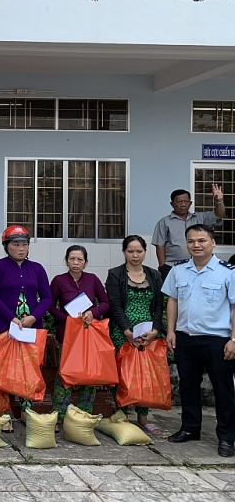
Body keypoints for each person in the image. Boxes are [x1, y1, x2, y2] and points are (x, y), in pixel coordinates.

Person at [164, 224, 235, 458]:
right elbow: (172, 301)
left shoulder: (227, 271)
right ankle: (190, 428)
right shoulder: (179, 270)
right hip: (186, 337)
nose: (197, 245)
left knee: (223, 389)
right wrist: (171, 331)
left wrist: (234, 339)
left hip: (217, 339)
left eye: (202, 240)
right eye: (192, 241)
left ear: (213, 243)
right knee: (188, 386)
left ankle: (226, 437)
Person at [0, 224, 52, 430]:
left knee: (28, 370)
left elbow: (47, 297)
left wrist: (34, 316)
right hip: (4, 327)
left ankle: (26, 411)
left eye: (24, 244)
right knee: (4, 370)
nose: (21, 249)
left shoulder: (37, 269)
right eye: (16, 244)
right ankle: (4, 414)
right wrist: (10, 317)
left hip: (30, 328)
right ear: (6, 246)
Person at [105, 234, 164, 435]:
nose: (135, 255)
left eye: (139, 251)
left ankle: (143, 417)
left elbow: (158, 306)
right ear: (124, 252)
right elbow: (115, 305)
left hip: (148, 333)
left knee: (145, 375)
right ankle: (120, 413)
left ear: (145, 252)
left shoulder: (154, 275)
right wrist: (127, 331)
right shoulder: (115, 274)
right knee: (122, 374)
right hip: (124, 332)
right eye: (131, 251)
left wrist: (155, 330)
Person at [49, 245, 110, 430]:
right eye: (72, 259)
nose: (76, 263)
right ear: (66, 260)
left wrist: (94, 312)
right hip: (67, 335)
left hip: (88, 334)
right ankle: (59, 417)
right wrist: (66, 319)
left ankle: (83, 415)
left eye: (80, 260)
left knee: (89, 375)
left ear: (86, 262)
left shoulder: (92, 280)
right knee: (65, 376)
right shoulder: (59, 281)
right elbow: (50, 306)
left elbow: (106, 302)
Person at [152, 185, 225, 281]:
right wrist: (162, 267)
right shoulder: (164, 222)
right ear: (172, 204)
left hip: (199, 266)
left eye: (186, 201)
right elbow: (160, 245)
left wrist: (219, 201)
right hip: (172, 266)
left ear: (190, 203)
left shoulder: (201, 218)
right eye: (179, 202)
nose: (183, 204)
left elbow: (219, 215)